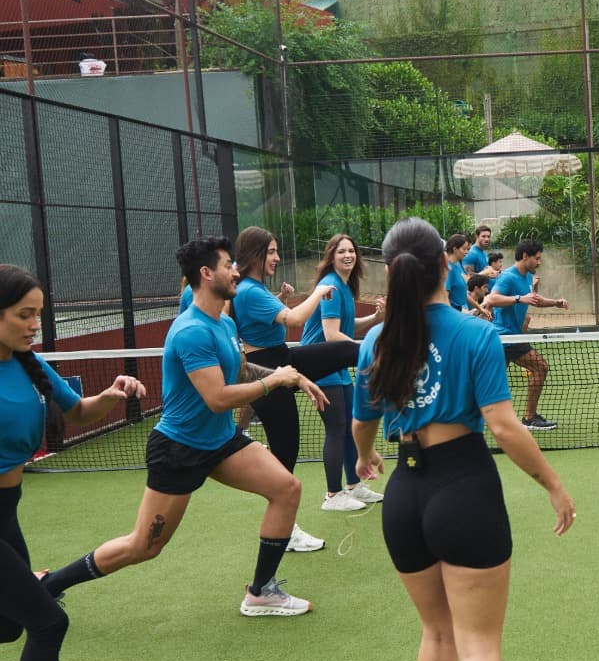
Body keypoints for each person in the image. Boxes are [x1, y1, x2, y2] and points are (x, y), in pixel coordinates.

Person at [351, 219, 575, 661]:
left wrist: (366, 458)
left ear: (390, 272)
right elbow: (502, 425)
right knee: (479, 646)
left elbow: (363, 424)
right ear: (445, 267)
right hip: (464, 488)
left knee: (436, 633)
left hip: (405, 495)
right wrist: (553, 484)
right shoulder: (476, 334)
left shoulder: (375, 342)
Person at [41, 237, 327, 620]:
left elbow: (240, 370)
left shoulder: (225, 323)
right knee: (144, 546)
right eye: (228, 265)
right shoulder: (191, 331)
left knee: (286, 489)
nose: (236, 272)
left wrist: (289, 375)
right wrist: (274, 382)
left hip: (221, 440)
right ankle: (48, 586)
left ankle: (261, 593)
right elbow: (218, 398)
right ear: (206, 273)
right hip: (179, 449)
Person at [1, 264, 147, 661]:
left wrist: (113, 394)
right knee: (48, 622)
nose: (34, 325)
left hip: (7, 513)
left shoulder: (28, 364)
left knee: (8, 625)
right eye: (24, 315)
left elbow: (79, 411)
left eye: (38, 314)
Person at [231, 226, 361, 551]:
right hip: (267, 371)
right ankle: (284, 531)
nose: (277, 257)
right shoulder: (248, 290)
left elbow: (269, 318)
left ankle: (397, 366)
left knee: (346, 351)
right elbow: (295, 320)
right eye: (271, 252)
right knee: (285, 457)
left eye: (276, 251)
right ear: (255, 255)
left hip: (283, 358)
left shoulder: (254, 289)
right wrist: (319, 292)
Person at [299, 233, 387, 514]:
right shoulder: (331, 287)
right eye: (341, 252)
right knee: (336, 428)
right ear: (331, 257)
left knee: (350, 427)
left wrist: (375, 318)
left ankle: (354, 485)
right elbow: (331, 334)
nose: (348, 255)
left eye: (351, 251)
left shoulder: (344, 287)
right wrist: (366, 351)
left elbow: (345, 327)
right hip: (320, 364)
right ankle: (332, 494)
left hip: (336, 365)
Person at [484, 238, 568, 431]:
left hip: (513, 337)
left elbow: (534, 300)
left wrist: (555, 303)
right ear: (524, 256)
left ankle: (528, 418)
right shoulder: (508, 277)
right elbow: (492, 298)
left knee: (492, 382)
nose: (539, 262)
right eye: (536, 258)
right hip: (504, 338)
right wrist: (519, 298)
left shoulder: (527, 277)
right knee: (540, 367)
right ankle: (529, 418)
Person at [444, 234, 472, 312]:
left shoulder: (457, 265)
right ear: (455, 249)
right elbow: (445, 298)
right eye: (464, 249)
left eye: (467, 249)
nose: (466, 252)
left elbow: (462, 293)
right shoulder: (448, 268)